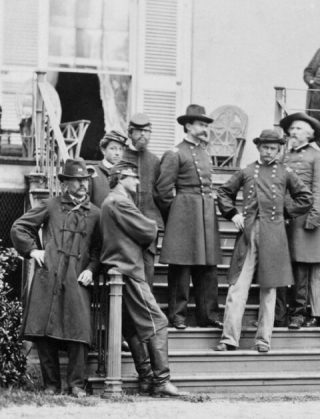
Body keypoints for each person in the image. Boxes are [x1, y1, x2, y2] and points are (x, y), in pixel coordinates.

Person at [214, 129, 313, 353]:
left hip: (274, 235)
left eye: (273, 148)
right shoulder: (247, 171)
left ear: (278, 150)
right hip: (249, 233)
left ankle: (263, 340)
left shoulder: (285, 172)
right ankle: (229, 338)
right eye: (265, 147)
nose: (269, 152)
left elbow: (306, 198)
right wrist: (233, 215)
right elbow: (223, 192)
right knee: (238, 286)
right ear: (258, 148)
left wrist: (284, 212)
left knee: (269, 289)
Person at [10, 158, 102, 397]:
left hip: (76, 278)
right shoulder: (50, 206)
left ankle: (77, 385)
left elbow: (98, 250)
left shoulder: (95, 214)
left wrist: (92, 269)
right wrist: (33, 250)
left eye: (85, 180)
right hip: (49, 276)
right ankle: (51, 385)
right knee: (44, 330)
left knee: (79, 330)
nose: (83, 185)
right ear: (66, 184)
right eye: (77, 180)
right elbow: (20, 227)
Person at [100, 160, 187, 397]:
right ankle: (161, 381)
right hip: (129, 270)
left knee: (133, 329)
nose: (138, 181)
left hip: (121, 270)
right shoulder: (119, 202)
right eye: (133, 177)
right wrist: (151, 225)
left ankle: (146, 378)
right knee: (158, 323)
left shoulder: (112, 202)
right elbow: (149, 230)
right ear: (120, 178)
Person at [155, 104, 223, 330]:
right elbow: (163, 191)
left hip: (205, 213)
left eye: (206, 124)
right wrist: (175, 217)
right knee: (181, 268)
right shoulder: (175, 153)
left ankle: (208, 315)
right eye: (201, 124)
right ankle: (177, 315)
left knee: (208, 268)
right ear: (188, 125)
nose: (204, 128)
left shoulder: (205, 152)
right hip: (184, 214)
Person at [277, 112, 320, 329]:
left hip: (304, 221)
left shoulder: (318, 158)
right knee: (283, 266)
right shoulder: (283, 156)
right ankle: (280, 313)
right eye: (291, 129)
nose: (293, 132)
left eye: (298, 128)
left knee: (301, 268)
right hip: (284, 220)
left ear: (309, 134)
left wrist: (314, 219)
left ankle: (298, 313)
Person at [120, 113, 163, 288]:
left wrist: (157, 224)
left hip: (148, 227)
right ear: (130, 133)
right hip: (125, 226)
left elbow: (161, 193)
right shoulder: (121, 158)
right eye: (139, 131)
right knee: (125, 276)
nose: (143, 135)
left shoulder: (154, 161)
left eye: (147, 131)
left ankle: (147, 314)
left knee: (147, 273)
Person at [89, 130, 128, 207]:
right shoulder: (93, 172)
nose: (117, 153)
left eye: (120, 149)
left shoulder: (125, 173)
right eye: (113, 148)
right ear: (103, 150)